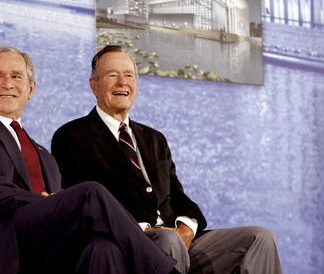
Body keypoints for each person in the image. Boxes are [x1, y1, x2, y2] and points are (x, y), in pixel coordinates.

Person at [0, 46, 178, 274]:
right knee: (90, 193)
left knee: (103, 247)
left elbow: (61, 215)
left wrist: (52, 205)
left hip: (47, 254)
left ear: (30, 90)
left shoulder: (44, 155)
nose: (8, 84)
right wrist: (39, 202)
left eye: (17, 77)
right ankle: (166, 271)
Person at [51, 45, 283, 274]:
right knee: (167, 240)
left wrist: (187, 228)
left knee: (259, 238)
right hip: (129, 243)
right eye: (112, 75)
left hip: (175, 239)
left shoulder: (154, 138)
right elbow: (88, 205)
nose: (123, 82)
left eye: (129, 75)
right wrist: (147, 230)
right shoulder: (71, 136)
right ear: (94, 85)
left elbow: (177, 195)